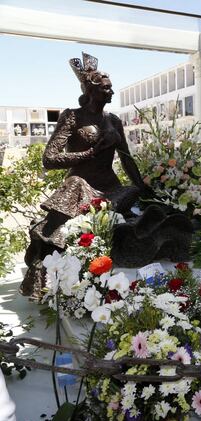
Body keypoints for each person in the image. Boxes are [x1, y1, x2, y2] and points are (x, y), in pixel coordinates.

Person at [20, 52, 151, 298]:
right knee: (72, 193)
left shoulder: (113, 120)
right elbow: (49, 158)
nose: (111, 92)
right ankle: (44, 273)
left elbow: (126, 158)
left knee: (134, 199)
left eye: (111, 88)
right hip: (79, 183)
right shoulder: (72, 116)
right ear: (91, 90)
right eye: (106, 88)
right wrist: (90, 153)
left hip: (109, 187)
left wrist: (143, 186)